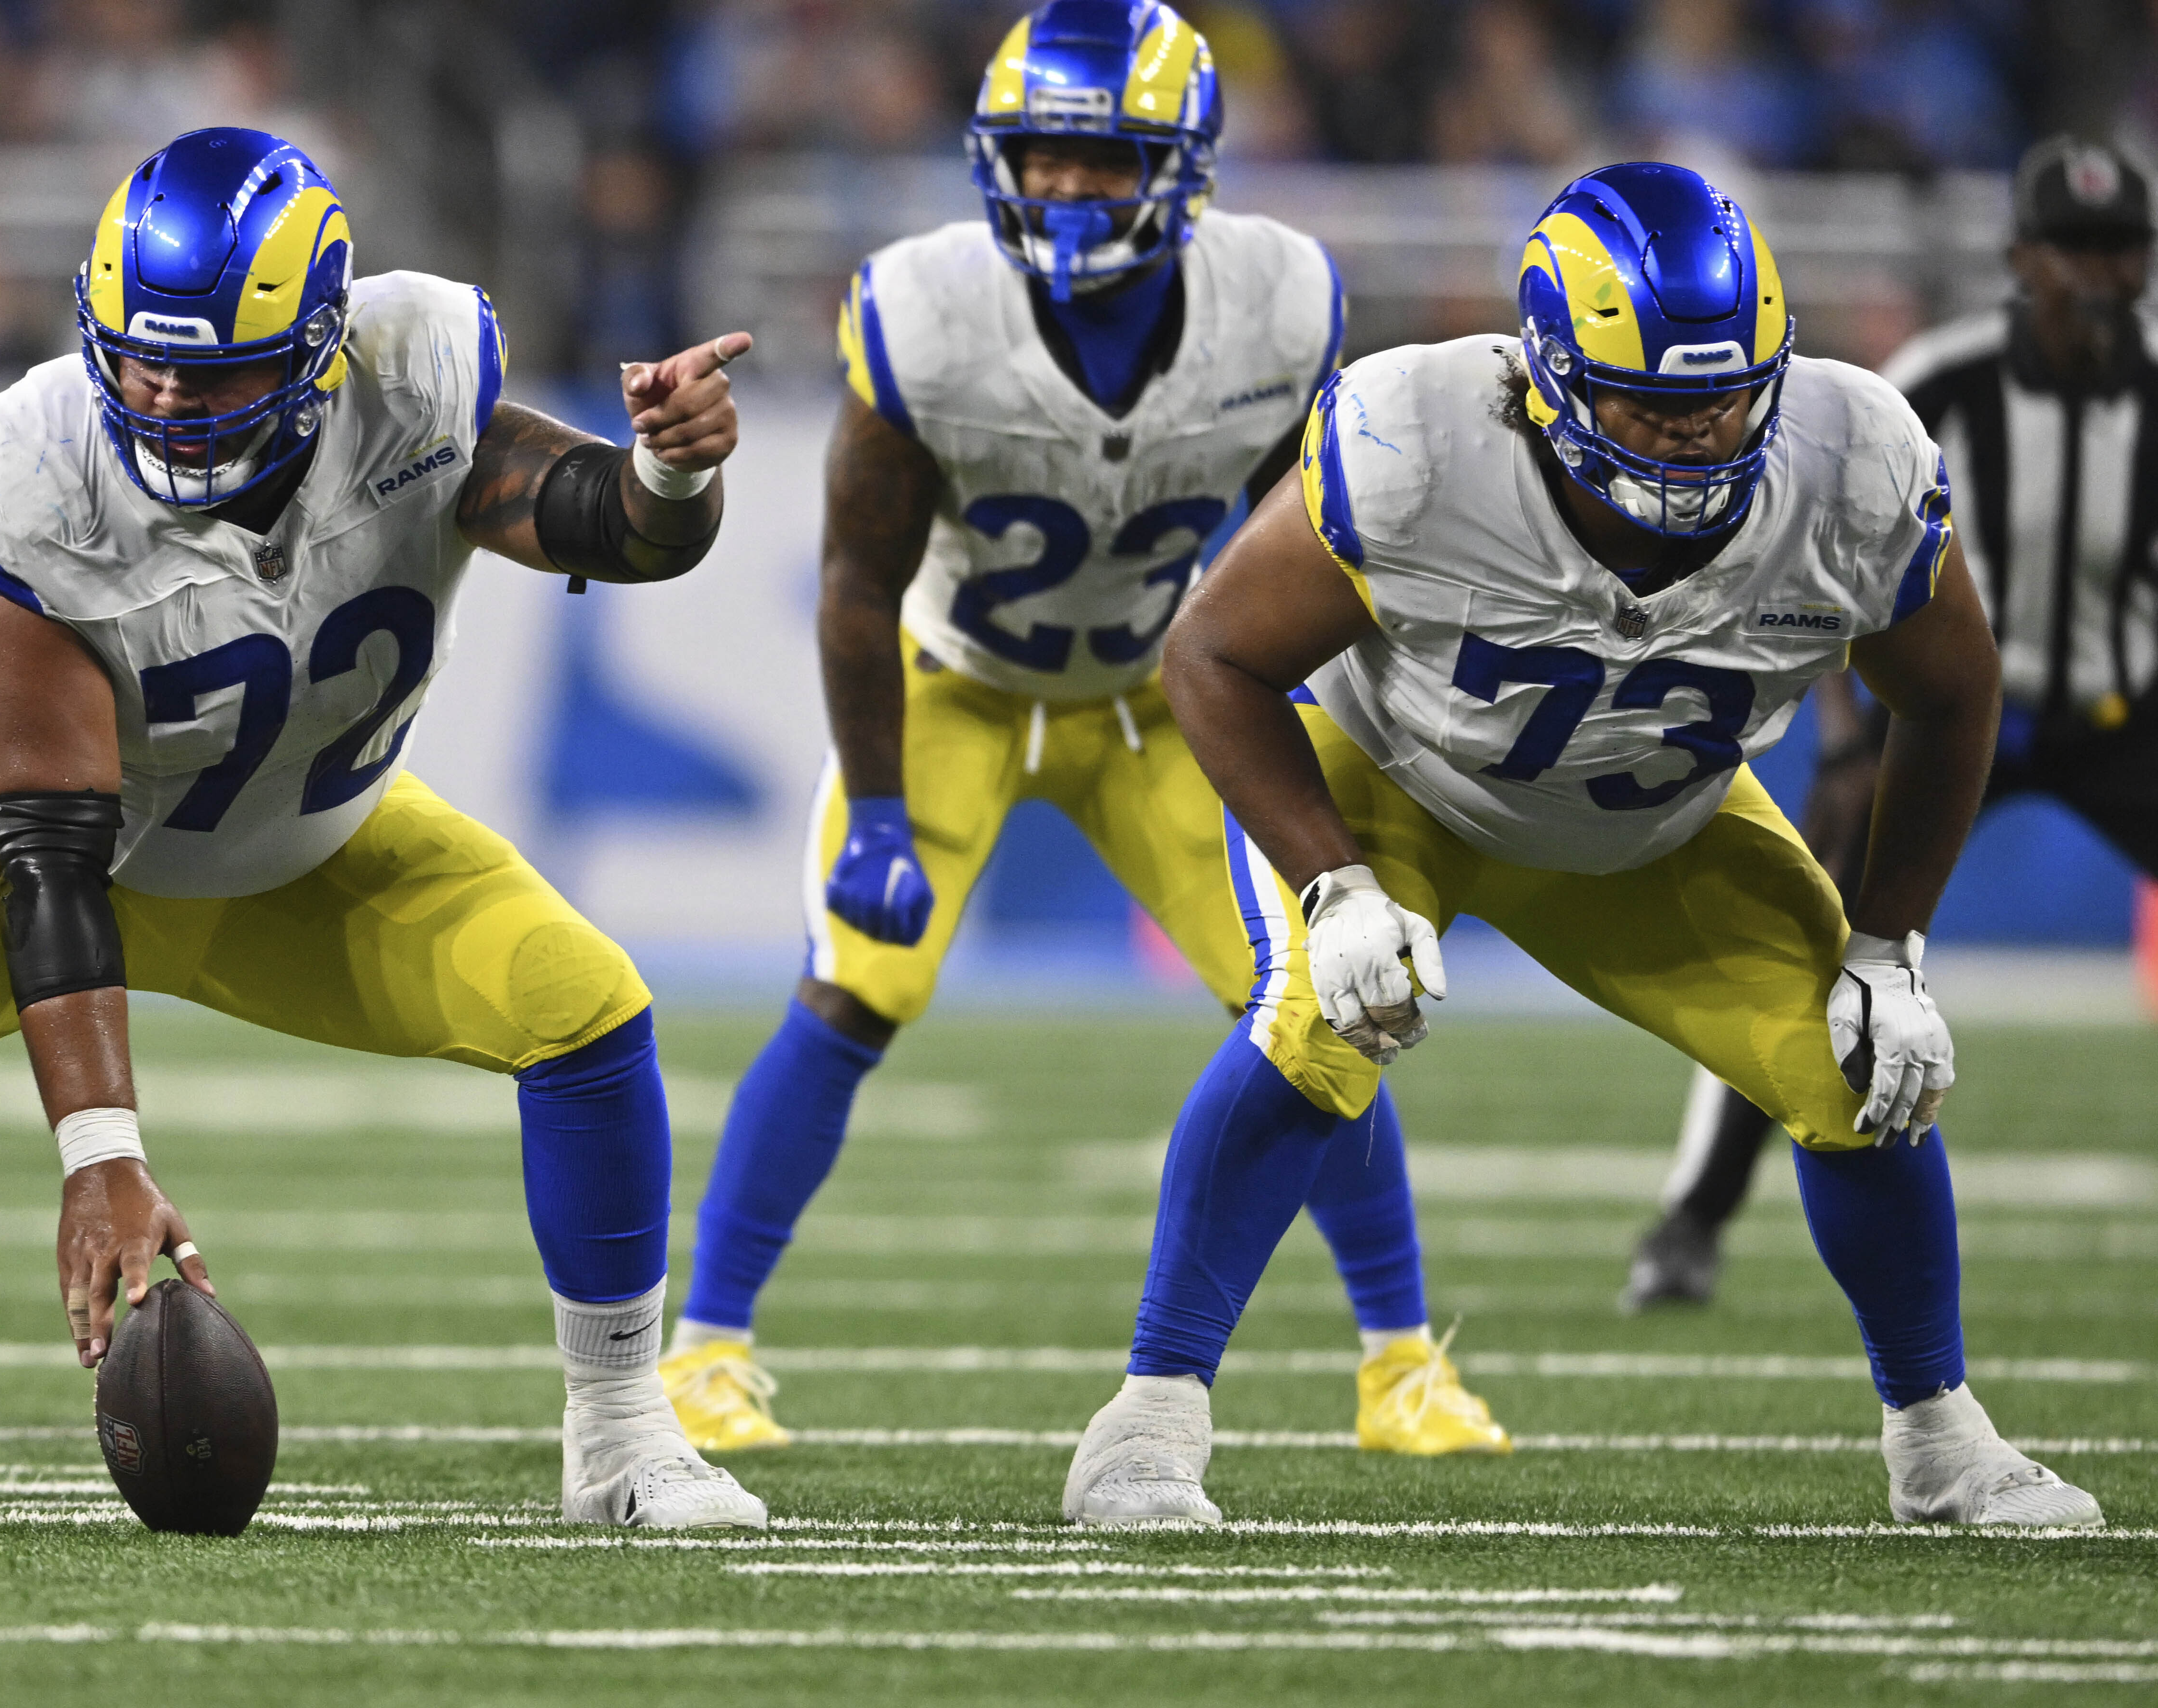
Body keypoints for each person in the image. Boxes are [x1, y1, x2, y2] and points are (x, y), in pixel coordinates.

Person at [0, 127, 767, 1531]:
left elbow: (605, 525)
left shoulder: (414, 380)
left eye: (212, 370)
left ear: (325, 344)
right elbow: (50, 856)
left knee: (584, 1009)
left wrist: (674, 473)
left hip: (292, 838)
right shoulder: (23, 472)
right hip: (13, 834)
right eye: (140, 357)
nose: (163, 395)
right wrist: (103, 1158)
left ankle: (624, 1439)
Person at [1060, 159, 2104, 1529]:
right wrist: (1334, 881)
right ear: (1546, 375)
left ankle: (1939, 1438)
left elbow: (1954, 692)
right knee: (1317, 1017)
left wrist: (1886, 940)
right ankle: (1145, 1424)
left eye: (1726, 398)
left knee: (1863, 1066)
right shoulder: (1419, 437)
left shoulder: (1852, 463)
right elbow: (1210, 654)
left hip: (1655, 824)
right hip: (1398, 784)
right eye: (1653, 406)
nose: (1696, 434)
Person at [662, 0, 1507, 1466]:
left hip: (1160, 693)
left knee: (1324, 1003)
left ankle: (1401, 1368)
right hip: (956, 681)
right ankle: (704, 1354)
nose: (1062, 189)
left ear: (1181, 164)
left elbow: (1324, 538)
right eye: (1039, 158)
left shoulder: (1284, 302)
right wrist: (873, 806)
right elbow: (859, 582)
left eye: (1100, 160)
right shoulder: (925, 308)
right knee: (855, 988)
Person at [1623, 135, 2158, 1312]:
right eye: (2071, 250)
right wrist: (1852, 735)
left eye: (2118, 247)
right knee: (1808, 942)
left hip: (2121, 714)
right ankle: (1689, 1219)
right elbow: (1819, 540)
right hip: (1938, 709)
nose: (2098, 276)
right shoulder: (1936, 381)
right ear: (2022, 258)